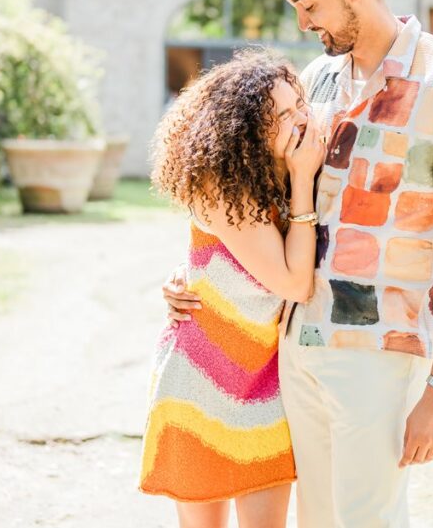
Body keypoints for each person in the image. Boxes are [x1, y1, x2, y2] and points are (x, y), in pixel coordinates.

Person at [165, 0, 433, 527]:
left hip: (380, 350)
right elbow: (257, 203)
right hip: (296, 347)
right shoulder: (316, 82)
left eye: (308, 4)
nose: (302, 23)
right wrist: (190, 274)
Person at [139, 50, 326, 528]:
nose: (300, 117)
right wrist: (303, 178)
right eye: (281, 115)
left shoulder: (283, 172)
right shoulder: (223, 186)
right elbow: (293, 281)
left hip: (266, 385)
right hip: (202, 383)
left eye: (299, 103)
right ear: (247, 129)